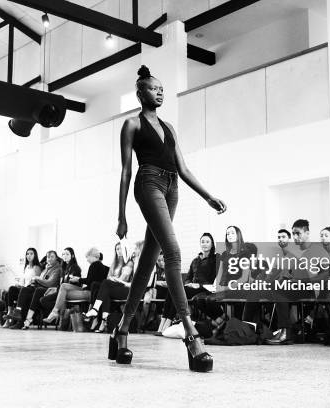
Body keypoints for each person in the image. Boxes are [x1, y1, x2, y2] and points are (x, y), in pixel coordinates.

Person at [113, 65, 226, 372]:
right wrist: (121, 214)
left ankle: (121, 330)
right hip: (147, 182)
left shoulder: (170, 127)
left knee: (149, 259)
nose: (159, 92)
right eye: (153, 88)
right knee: (173, 251)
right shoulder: (131, 124)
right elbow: (125, 171)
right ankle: (191, 335)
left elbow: (184, 168)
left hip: (173, 186)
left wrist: (207, 195)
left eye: (162, 88)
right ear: (140, 92)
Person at [265, 219, 329, 345]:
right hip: (295, 287)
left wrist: (306, 280)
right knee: (275, 287)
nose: (294, 236)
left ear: (307, 233)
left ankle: (286, 331)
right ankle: (285, 331)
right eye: (293, 233)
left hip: (310, 289)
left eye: (298, 233)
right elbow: (290, 272)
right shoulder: (293, 252)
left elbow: (326, 274)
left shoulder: (319, 250)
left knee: (277, 287)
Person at [43, 247, 109, 326]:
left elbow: (89, 281)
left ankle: (59, 317)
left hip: (90, 293)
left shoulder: (94, 265)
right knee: (63, 291)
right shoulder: (100, 265)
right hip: (91, 292)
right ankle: (58, 317)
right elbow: (91, 281)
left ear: (92, 256)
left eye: (87, 257)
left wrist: (78, 279)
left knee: (63, 292)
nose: (87, 259)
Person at [83, 243, 135, 333]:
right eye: (117, 249)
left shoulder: (129, 263)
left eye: (121, 249)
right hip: (114, 288)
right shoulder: (114, 264)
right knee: (103, 288)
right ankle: (103, 319)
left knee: (105, 285)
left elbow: (123, 279)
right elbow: (108, 278)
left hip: (125, 289)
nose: (119, 251)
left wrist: (114, 279)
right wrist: (112, 280)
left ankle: (95, 311)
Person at [8, 250, 63, 330]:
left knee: (32, 292)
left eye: (52, 257)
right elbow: (42, 280)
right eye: (48, 257)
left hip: (49, 291)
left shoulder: (57, 269)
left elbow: (50, 283)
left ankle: (26, 320)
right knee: (25, 291)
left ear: (56, 258)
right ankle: (19, 315)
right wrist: (36, 280)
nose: (49, 258)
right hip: (40, 289)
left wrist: (37, 279)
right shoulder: (46, 268)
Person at [37, 247, 82, 321]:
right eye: (63, 254)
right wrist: (54, 288)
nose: (65, 256)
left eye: (67, 254)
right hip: (62, 290)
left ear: (72, 256)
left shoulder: (75, 267)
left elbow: (72, 283)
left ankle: (56, 313)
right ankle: (59, 312)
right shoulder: (63, 268)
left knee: (61, 291)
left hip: (73, 290)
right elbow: (61, 283)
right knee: (43, 300)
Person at [2, 248, 42, 328]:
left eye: (31, 254)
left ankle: (18, 316)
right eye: (27, 254)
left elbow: (38, 282)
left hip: (32, 289)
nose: (29, 256)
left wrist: (25, 286)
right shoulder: (26, 267)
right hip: (25, 288)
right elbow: (24, 281)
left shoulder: (37, 267)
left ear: (35, 255)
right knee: (11, 289)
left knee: (24, 292)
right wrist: (20, 285)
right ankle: (10, 313)